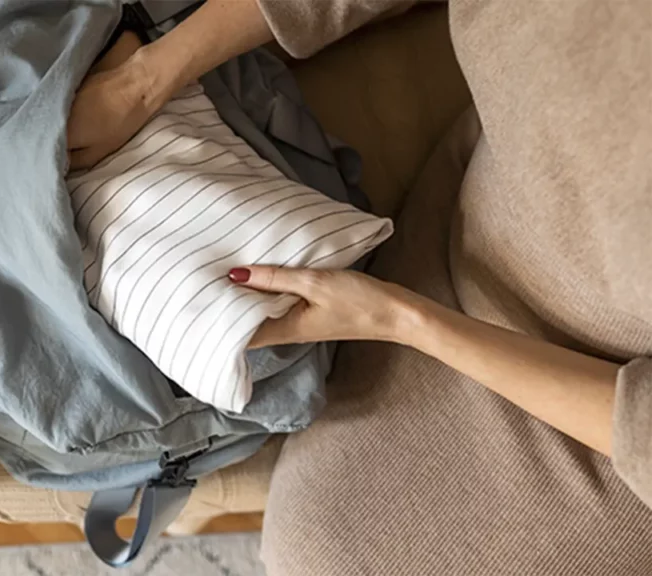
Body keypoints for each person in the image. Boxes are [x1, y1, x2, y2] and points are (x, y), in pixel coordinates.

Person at [67, 0, 652, 573]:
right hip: (484, 212)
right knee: (311, 538)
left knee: (317, 551)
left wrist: (403, 320)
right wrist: (144, 81)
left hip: (607, 403)